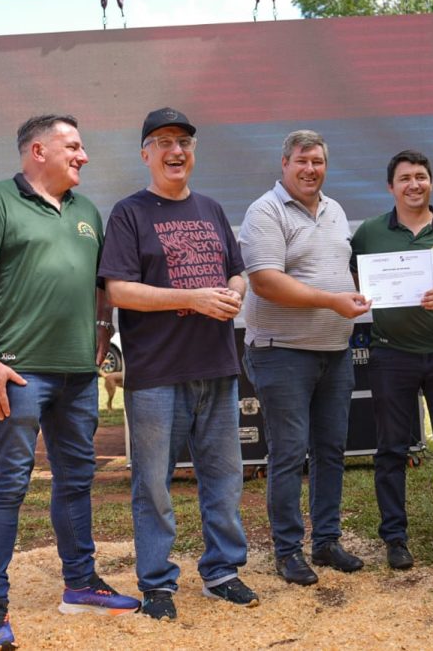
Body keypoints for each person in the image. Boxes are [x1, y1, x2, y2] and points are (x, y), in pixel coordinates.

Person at [0, 114, 141, 648]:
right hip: (17, 371)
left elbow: (103, 284)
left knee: (77, 481)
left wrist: (104, 328)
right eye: (73, 147)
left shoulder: (87, 211)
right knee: (9, 485)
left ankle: (80, 585)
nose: (83, 156)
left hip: (79, 375)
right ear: (38, 150)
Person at [99, 107, 257, 620]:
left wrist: (232, 293)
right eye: (163, 142)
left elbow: (237, 272)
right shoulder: (130, 213)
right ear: (146, 153)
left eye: (184, 141)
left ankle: (222, 572)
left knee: (224, 477)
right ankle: (158, 583)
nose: (176, 151)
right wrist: (192, 296)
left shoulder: (210, 208)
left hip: (217, 365)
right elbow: (119, 289)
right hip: (157, 374)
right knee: (153, 484)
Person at [238, 130, 371, 586]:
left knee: (332, 450)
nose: (311, 169)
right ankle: (288, 549)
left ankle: (327, 540)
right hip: (282, 353)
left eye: (318, 161)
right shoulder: (265, 212)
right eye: (302, 161)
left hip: (334, 351)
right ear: (284, 163)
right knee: (289, 453)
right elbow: (266, 282)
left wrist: (361, 291)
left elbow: (339, 270)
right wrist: (332, 302)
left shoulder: (335, 211)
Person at [350, 150, 433, 569]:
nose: (414, 184)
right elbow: (353, 283)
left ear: (431, 183)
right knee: (391, 449)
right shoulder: (370, 232)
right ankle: (394, 536)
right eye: (405, 178)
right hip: (391, 353)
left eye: (421, 177)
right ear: (390, 186)